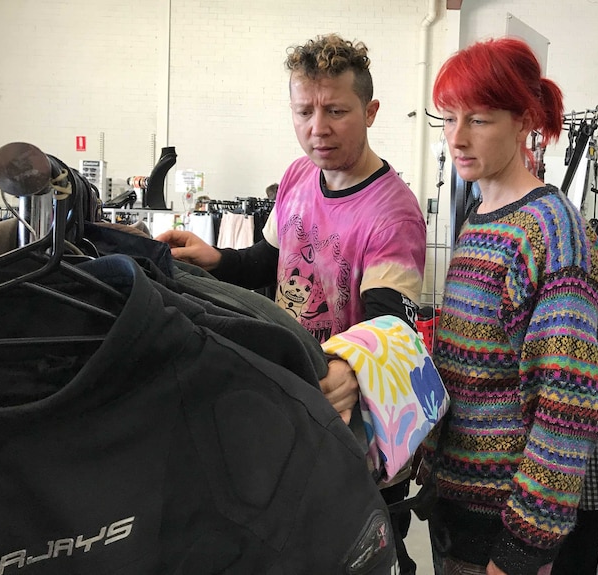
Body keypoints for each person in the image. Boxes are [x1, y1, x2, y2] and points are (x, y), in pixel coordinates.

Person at [155, 33, 427, 575]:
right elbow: (270, 259)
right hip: (294, 403)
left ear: (371, 111)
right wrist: (217, 261)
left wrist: (351, 364)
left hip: (352, 425)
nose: (317, 128)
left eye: (336, 111)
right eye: (303, 111)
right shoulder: (300, 175)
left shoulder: (392, 214)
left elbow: (390, 322)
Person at [416, 37, 598, 575]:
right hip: (455, 506)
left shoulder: (551, 229)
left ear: (524, 121)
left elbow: (567, 401)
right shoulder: (482, 214)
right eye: (448, 119)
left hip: (502, 527)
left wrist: (523, 548)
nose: (457, 138)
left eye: (478, 120)